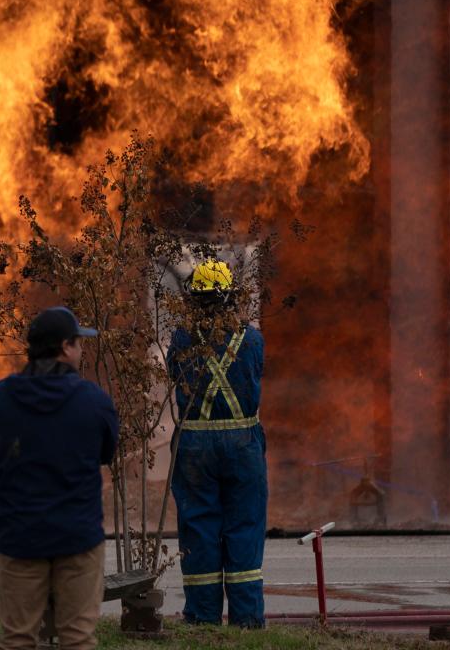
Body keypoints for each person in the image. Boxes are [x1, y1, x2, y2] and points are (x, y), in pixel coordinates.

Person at [0, 306, 119, 650]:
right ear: (65, 347)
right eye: (78, 342)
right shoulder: (94, 402)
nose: (82, 348)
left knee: (16, 639)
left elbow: (0, 440)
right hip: (77, 537)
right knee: (77, 639)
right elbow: (107, 453)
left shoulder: (1, 398)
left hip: (20, 536)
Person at [167, 259, 266, 628]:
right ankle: (247, 622)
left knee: (199, 528)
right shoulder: (253, 339)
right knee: (244, 529)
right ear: (231, 298)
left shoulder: (180, 338)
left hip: (195, 448)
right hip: (243, 445)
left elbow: (175, 374)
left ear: (193, 299)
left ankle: (202, 618)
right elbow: (254, 375)